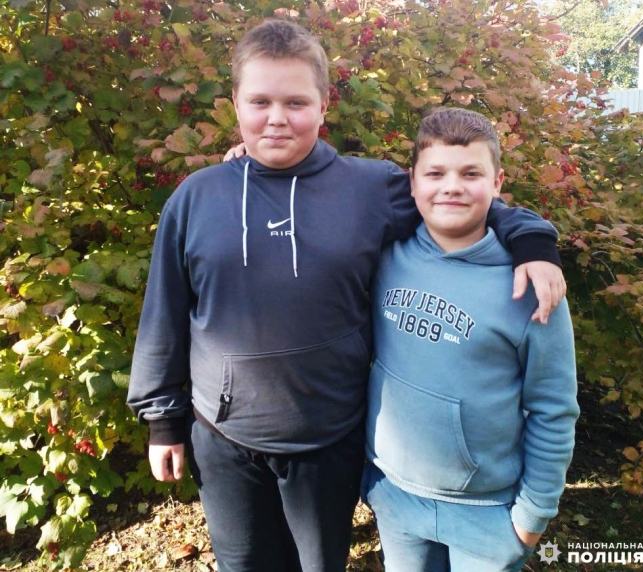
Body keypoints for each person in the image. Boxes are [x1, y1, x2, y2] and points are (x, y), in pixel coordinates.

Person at [127, 20, 567, 572]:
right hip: (224, 439)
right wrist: (162, 419)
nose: (277, 117)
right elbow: (164, 312)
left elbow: (454, 196)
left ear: (323, 105)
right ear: (235, 103)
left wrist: (532, 240)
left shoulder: (371, 189)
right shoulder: (197, 196)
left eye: (295, 102)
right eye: (260, 102)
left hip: (329, 441)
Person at [363, 107, 579, 572]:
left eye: (471, 173)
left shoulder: (532, 286)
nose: (452, 186)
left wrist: (532, 518)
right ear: (412, 182)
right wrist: (249, 162)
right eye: (435, 173)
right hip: (395, 496)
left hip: (487, 513)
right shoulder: (383, 255)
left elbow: (553, 407)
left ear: (497, 183)